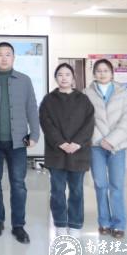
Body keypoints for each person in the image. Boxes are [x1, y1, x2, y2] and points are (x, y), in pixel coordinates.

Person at [0, 42, 40, 243]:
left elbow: (32, 108)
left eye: (8, 54)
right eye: (0, 54)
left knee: (18, 184)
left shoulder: (24, 80)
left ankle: (18, 225)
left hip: (18, 141)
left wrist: (35, 134)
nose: (4, 58)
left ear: (13, 57)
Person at [39, 63, 95, 239]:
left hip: (79, 152)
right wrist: (61, 143)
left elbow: (89, 124)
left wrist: (77, 143)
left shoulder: (83, 99)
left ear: (73, 78)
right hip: (56, 152)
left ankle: (75, 224)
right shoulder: (49, 100)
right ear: (56, 78)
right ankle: (60, 223)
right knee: (57, 190)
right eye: (60, 75)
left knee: (76, 190)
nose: (64, 78)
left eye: (67, 74)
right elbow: (46, 123)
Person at [83, 59, 127, 239]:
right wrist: (101, 139)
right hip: (96, 146)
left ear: (112, 73)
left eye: (105, 70)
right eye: (98, 70)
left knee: (116, 185)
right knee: (100, 184)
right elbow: (86, 119)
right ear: (94, 73)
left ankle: (119, 224)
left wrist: (112, 140)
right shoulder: (86, 93)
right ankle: (104, 221)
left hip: (117, 146)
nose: (102, 73)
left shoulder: (122, 92)